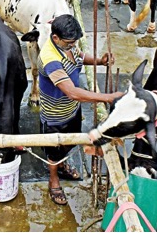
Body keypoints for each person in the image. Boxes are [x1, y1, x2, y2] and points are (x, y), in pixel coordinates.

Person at [38, 14, 124, 205]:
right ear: (55, 39)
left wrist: (99, 61)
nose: (72, 46)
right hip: (55, 115)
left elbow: (79, 57)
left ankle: (62, 164)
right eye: (69, 43)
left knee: (70, 141)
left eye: (74, 42)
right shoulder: (50, 59)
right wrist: (107, 97)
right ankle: (54, 179)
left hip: (72, 110)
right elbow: (72, 93)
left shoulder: (67, 46)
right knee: (54, 150)